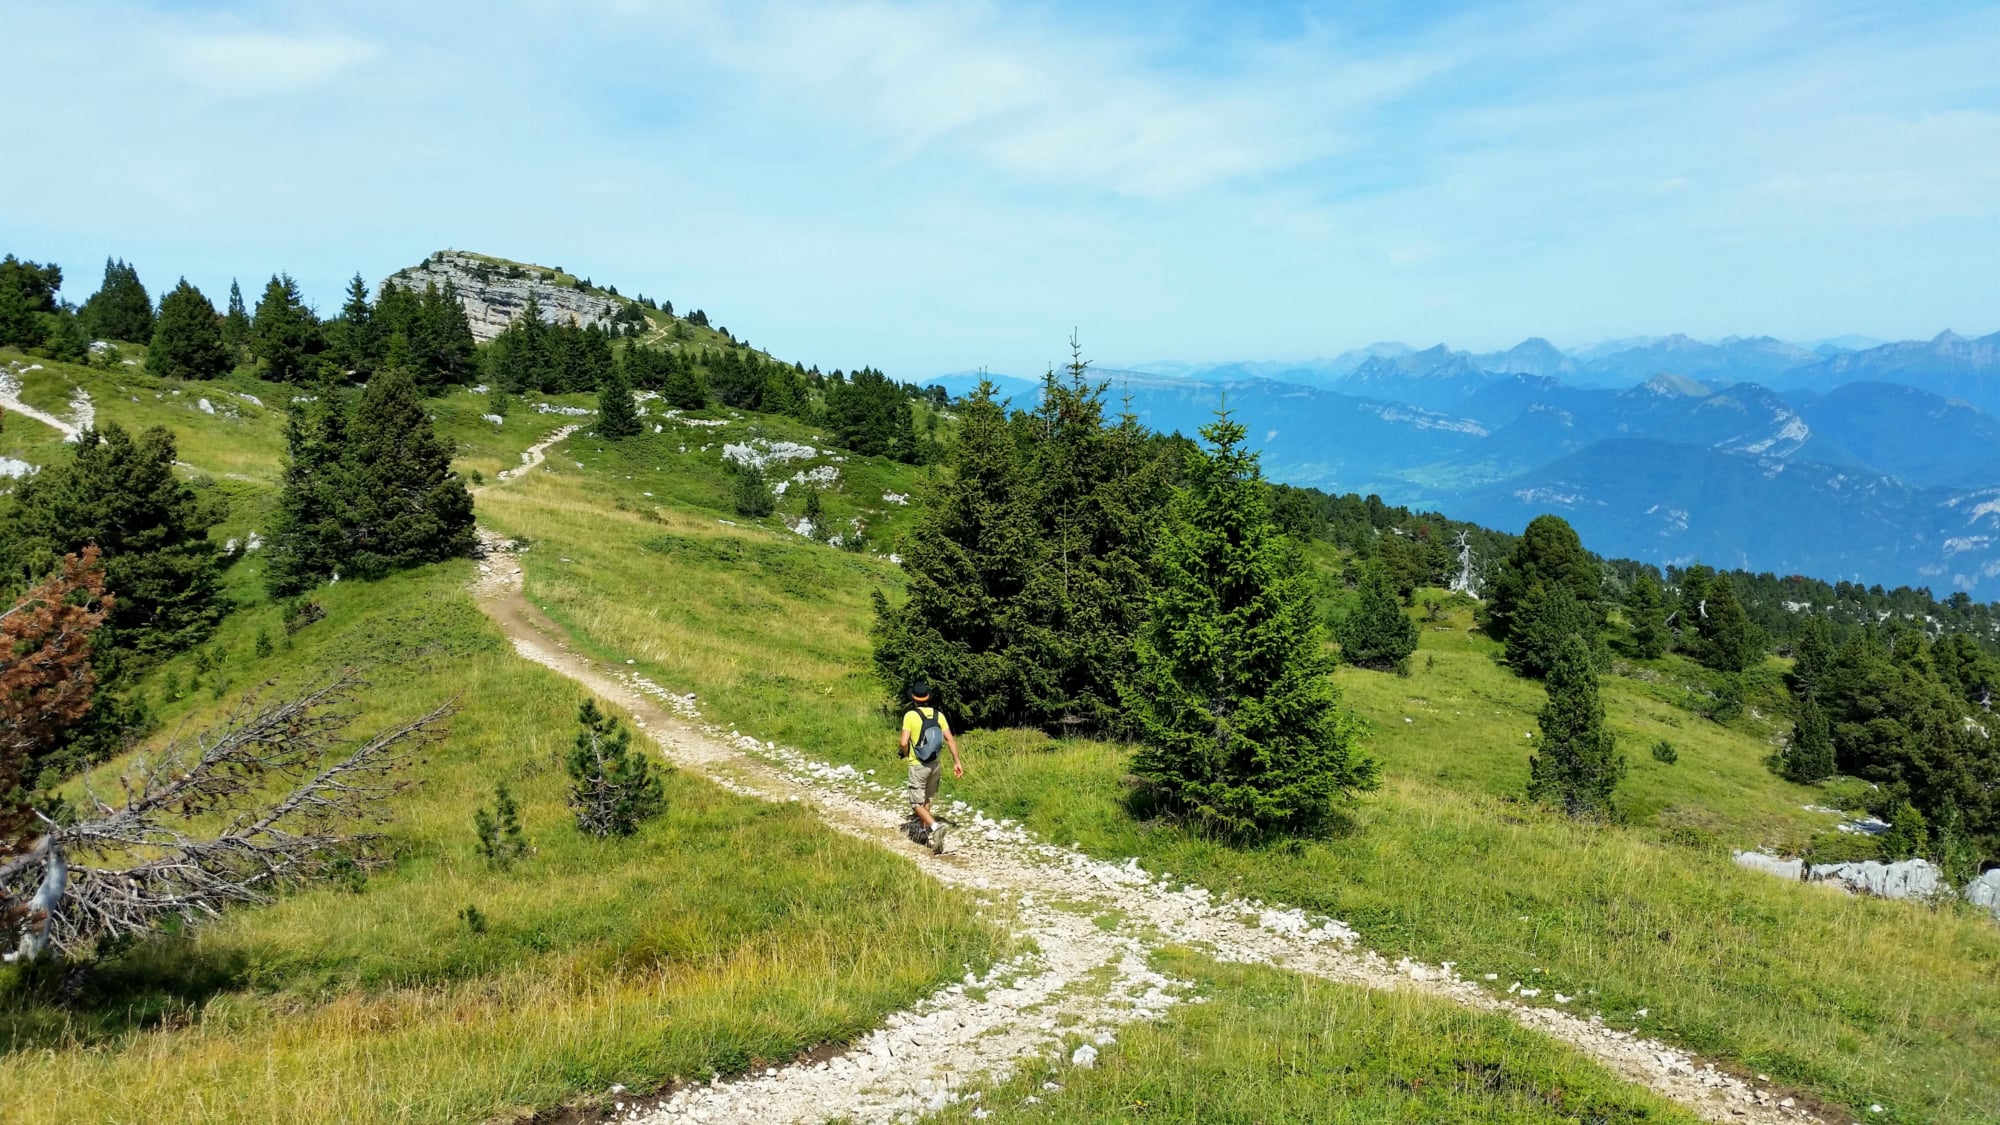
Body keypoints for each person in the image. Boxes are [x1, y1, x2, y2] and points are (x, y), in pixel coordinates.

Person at [898, 682, 963, 853]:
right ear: (928, 698)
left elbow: (904, 742)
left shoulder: (910, 716)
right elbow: (950, 739)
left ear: (913, 699)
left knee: (916, 803)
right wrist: (957, 761)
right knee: (927, 799)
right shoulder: (938, 715)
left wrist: (905, 753)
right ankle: (921, 832)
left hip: (918, 764)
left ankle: (935, 827)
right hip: (935, 764)